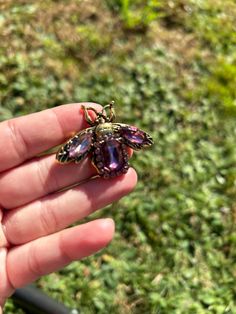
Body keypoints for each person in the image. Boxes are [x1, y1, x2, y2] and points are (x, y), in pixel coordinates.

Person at [0, 103, 137, 312]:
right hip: (115, 160)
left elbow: (70, 152)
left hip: (106, 162)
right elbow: (142, 139)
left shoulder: (93, 133)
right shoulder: (115, 129)